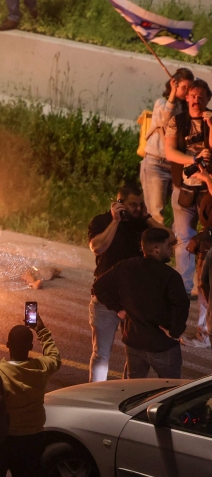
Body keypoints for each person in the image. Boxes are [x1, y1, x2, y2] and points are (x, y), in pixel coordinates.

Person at [86, 183, 164, 381]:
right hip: (106, 299)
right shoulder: (102, 221)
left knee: (136, 356)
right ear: (119, 203)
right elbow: (97, 248)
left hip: (135, 300)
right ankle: (95, 395)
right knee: (101, 354)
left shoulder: (143, 223)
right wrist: (115, 221)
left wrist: (147, 218)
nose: (137, 209)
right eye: (132, 205)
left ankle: (127, 396)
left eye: (140, 204)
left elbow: (169, 239)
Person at [93, 227, 189, 378]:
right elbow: (181, 306)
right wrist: (175, 332)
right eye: (169, 245)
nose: (171, 249)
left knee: (133, 388)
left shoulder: (125, 266)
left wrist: (118, 308)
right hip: (162, 346)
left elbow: (99, 287)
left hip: (134, 342)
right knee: (170, 389)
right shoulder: (170, 277)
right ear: (156, 249)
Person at [0, 314, 61, 477]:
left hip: (8, 438)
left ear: (7, 345)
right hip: (34, 437)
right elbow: (54, 357)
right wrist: (41, 330)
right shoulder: (41, 368)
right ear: (31, 346)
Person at [164, 78, 212, 299]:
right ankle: (184, 288)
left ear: (208, 100)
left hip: (208, 190)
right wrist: (193, 158)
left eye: (201, 96)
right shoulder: (178, 121)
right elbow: (170, 152)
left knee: (207, 238)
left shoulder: (211, 120)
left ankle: (203, 286)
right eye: (193, 95)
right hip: (183, 187)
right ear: (187, 98)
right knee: (183, 238)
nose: (196, 100)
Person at [141, 68, 194, 220]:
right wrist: (172, 95)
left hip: (175, 165)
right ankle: (151, 242)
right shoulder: (162, 103)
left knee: (181, 209)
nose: (186, 92)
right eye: (184, 88)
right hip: (156, 162)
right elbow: (165, 120)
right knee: (156, 212)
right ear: (174, 85)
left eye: (189, 89)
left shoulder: (185, 110)